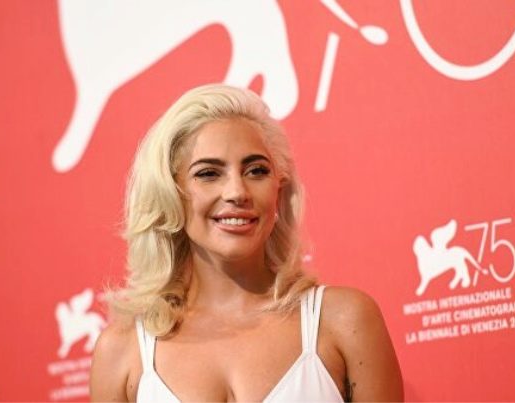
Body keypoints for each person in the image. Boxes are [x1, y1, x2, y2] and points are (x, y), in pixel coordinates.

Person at [90, 84, 403, 402]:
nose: (237, 192)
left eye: (256, 171)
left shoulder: (344, 320)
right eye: (208, 174)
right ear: (170, 193)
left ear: (279, 188)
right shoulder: (121, 352)